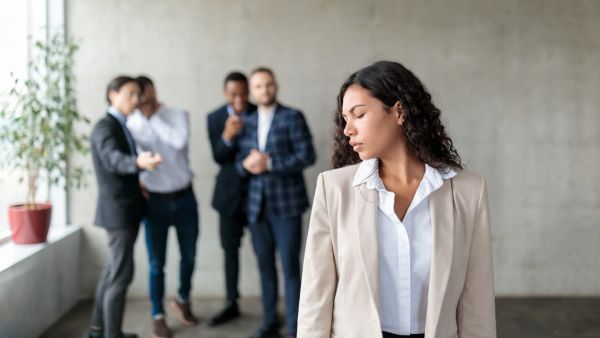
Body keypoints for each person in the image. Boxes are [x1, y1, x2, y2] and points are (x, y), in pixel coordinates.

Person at [297, 61, 496, 338]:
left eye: (358, 115)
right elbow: (315, 297)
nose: (348, 129)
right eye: (345, 119)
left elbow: (477, 303)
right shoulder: (334, 189)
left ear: (399, 111)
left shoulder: (467, 192)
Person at [236, 67, 316, 338]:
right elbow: (239, 164)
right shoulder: (246, 122)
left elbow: (307, 155)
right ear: (252, 91)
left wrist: (269, 163)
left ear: (276, 86)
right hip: (256, 207)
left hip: (288, 206)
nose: (265, 90)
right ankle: (269, 322)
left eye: (268, 85)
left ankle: (295, 328)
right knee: (265, 267)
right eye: (258, 86)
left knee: (291, 268)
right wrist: (246, 165)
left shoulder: (292, 116)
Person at [126, 76, 199, 338]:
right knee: (157, 263)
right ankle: (158, 315)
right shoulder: (130, 124)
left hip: (184, 198)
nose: (143, 101)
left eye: (146, 95)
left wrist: (153, 116)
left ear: (154, 92)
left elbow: (178, 142)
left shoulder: (176, 115)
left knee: (189, 256)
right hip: (154, 201)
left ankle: (182, 298)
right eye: (138, 97)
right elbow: (129, 160)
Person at [89, 76, 162, 338]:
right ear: (112, 95)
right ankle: (112, 334)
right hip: (119, 212)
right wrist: (138, 164)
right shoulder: (105, 127)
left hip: (124, 207)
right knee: (120, 277)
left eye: (137, 95)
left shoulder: (120, 124)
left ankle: (99, 330)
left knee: (112, 272)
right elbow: (113, 160)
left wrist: (137, 180)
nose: (136, 100)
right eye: (130, 94)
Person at [206, 71, 257, 326]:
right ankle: (231, 302)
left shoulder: (261, 112)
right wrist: (226, 136)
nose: (239, 99)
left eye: (243, 93)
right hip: (229, 197)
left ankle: (271, 308)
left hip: (260, 195)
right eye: (233, 94)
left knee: (266, 253)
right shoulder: (215, 118)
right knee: (230, 252)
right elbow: (218, 157)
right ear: (226, 93)